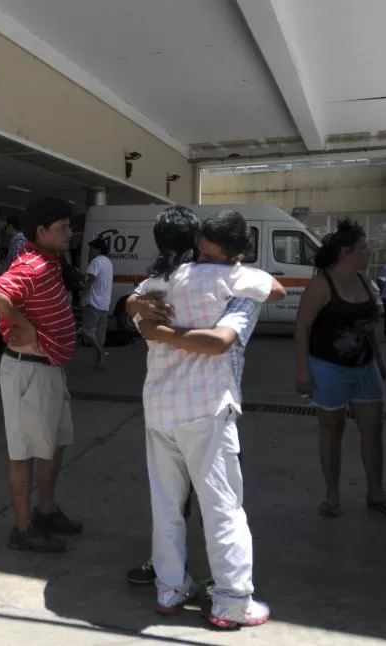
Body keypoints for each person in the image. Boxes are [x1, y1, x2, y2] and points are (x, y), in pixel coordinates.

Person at [131, 207, 283, 627]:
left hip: (159, 408)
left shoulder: (159, 282)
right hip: (205, 409)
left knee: (166, 505)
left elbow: (131, 302)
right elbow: (274, 293)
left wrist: (153, 327)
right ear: (238, 252)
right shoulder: (234, 281)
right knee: (223, 508)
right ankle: (232, 601)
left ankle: (170, 588)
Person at [0, 198, 80, 553]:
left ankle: (46, 510)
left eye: (70, 227)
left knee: (56, 443)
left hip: (50, 371)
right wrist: (24, 326)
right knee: (23, 451)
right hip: (30, 372)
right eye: (63, 228)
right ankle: (23, 529)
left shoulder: (50, 263)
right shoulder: (33, 265)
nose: (70, 234)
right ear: (41, 232)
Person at [294, 218, 386, 519]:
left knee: (373, 430)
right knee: (331, 431)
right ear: (345, 252)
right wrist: (303, 373)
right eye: (364, 248)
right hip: (328, 369)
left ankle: (376, 493)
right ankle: (332, 496)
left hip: (365, 369)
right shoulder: (321, 285)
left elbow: (369, 329)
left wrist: (380, 364)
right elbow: (301, 329)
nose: (369, 253)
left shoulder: (365, 281)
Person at [81, 237, 114, 367]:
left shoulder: (96, 261)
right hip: (105, 303)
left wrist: (83, 295)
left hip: (94, 302)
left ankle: (101, 353)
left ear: (98, 250)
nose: (89, 252)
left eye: (91, 249)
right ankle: (99, 359)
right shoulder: (108, 262)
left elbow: (90, 280)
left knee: (87, 331)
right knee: (99, 335)